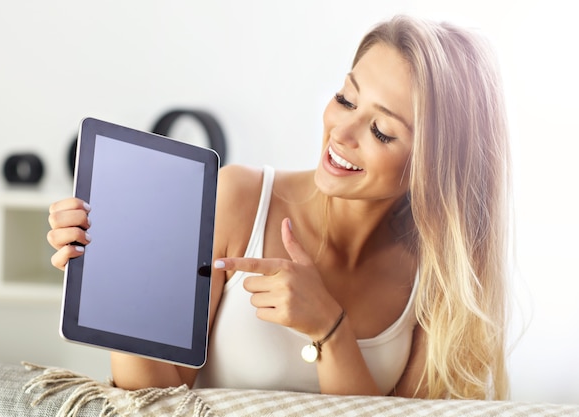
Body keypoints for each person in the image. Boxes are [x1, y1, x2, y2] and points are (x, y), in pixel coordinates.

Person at [47, 14, 511, 400]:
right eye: (346, 99)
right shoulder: (240, 199)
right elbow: (155, 402)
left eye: (382, 131)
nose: (342, 133)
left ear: (436, 165)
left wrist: (330, 328)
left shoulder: (438, 278)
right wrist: (118, 286)